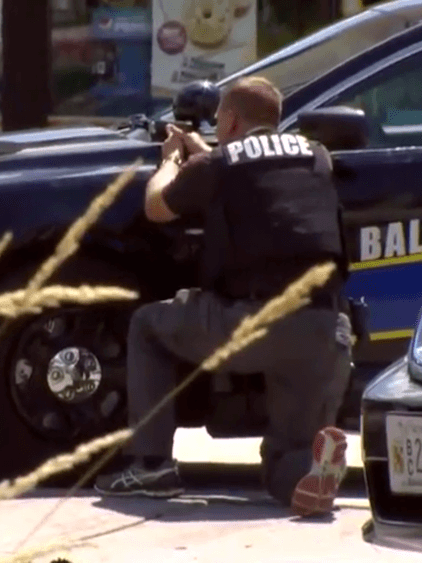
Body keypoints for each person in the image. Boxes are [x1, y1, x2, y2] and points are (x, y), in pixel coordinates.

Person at [94, 76, 355, 517]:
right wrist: (207, 152)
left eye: (220, 121)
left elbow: (158, 206)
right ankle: (310, 473)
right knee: (284, 455)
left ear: (230, 119)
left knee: (149, 327)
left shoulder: (219, 163)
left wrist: (172, 161)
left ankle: (150, 465)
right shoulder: (316, 156)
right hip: (326, 329)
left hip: (252, 321)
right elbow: (254, 170)